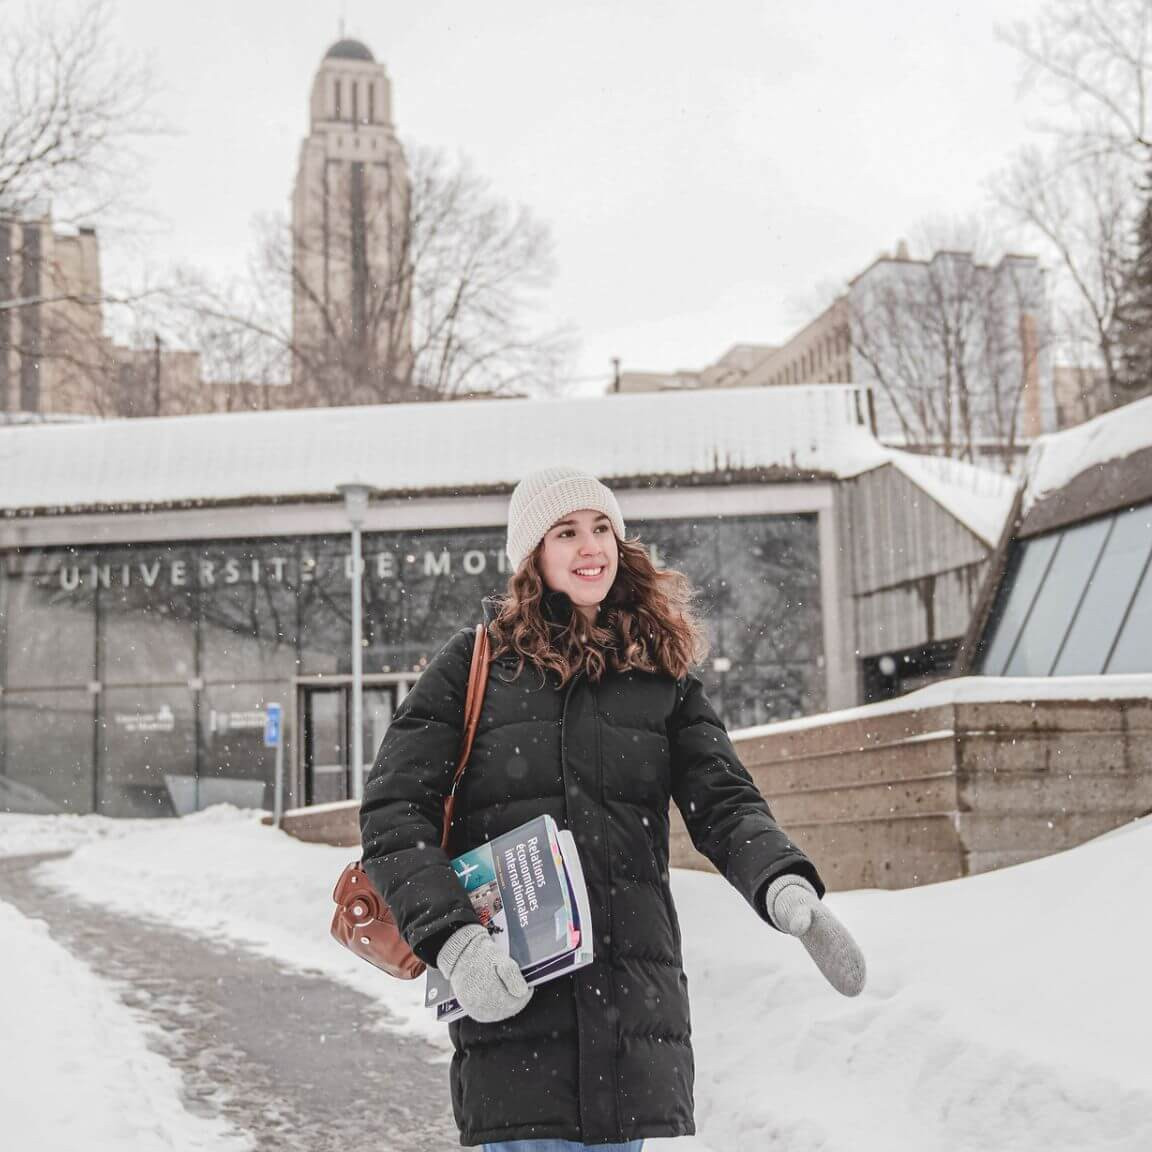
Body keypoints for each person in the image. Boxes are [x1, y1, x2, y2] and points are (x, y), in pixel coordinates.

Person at [360, 465, 866, 1151]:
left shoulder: (662, 677)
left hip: (631, 1022)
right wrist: (457, 941)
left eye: (601, 528)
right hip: (518, 1018)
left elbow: (723, 799)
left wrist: (783, 884)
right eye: (565, 532)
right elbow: (394, 813)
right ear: (533, 555)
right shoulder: (475, 664)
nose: (589, 545)